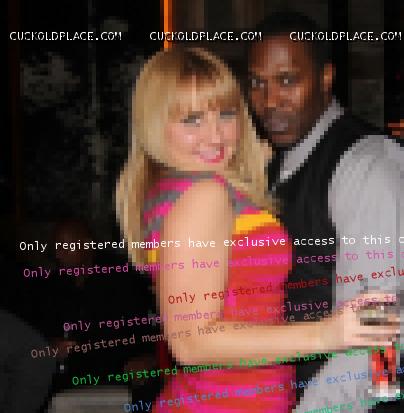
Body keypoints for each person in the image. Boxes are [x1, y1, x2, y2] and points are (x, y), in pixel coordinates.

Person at [115, 45, 398, 412]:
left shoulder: (179, 187)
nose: (216, 136)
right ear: (155, 124)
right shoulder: (205, 194)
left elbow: (382, 292)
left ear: (326, 77)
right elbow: (190, 342)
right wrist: (328, 336)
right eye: (192, 120)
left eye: (226, 114)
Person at [247, 11, 404, 412]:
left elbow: (380, 331)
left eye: (287, 80)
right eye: (258, 83)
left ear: (325, 77)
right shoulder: (274, 162)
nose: (269, 101)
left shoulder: (367, 165)